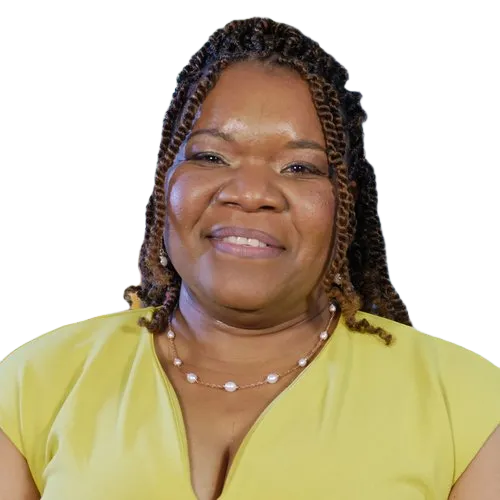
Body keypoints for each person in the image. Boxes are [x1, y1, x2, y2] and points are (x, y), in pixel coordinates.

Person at [1, 16, 498, 500]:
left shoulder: (469, 410)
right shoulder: (34, 385)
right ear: (166, 179)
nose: (251, 193)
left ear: (344, 201)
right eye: (211, 157)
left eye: (299, 167)